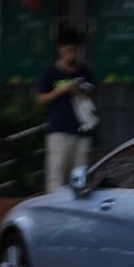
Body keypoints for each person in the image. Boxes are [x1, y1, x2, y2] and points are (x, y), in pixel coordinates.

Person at [36, 25, 98, 195]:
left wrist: (81, 90)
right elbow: (41, 98)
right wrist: (62, 90)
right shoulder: (50, 72)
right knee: (57, 171)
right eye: (68, 50)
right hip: (58, 128)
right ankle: (55, 202)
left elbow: (92, 94)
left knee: (80, 172)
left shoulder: (83, 71)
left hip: (81, 127)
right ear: (60, 50)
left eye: (74, 50)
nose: (71, 54)